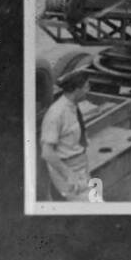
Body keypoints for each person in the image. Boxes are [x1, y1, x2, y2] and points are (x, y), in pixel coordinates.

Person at [40, 66, 92, 201]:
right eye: (86, 87)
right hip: (68, 168)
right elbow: (47, 152)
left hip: (80, 166)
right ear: (76, 89)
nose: (89, 90)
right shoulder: (56, 113)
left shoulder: (73, 105)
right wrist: (69, 175)